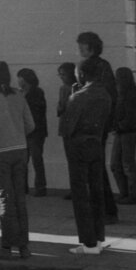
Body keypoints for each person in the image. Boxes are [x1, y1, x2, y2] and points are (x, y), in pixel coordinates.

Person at [0, 61, 35, 259]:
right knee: (20, 198)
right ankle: (23, 246)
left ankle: (6, 246)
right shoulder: (19, 95)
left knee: (5, 198)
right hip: (20, 149)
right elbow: (30, 124)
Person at [64, 58, 114, 254]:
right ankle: (98, 238)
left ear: (82, 74)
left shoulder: (79, 97)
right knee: (96, 192)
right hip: (96, 143)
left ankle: (88, 242)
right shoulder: (105, 95)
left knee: (81, 194)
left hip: (78, 145)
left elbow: (68, 127)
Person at [76, 31, 119, 223]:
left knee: (95, 169)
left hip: (93, 126)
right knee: (96, 168)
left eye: (82, 46)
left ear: (90, 46)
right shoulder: (104, 66)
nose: (79, 49)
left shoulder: (95, 66)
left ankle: (107, 210)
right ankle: (106, 210)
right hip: (99, 125)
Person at [111, 67, 136, 205]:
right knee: (121, 164)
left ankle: (129, 193)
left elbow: (128, 115)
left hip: (127, 131)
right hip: (125, 131)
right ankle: (128, 193)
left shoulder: (128, 94)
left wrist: (118, 125)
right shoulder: (128, 93)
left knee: (124, 164)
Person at [17, 68, 49, 197]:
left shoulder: (35, 93)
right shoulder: (28, 92)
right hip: (30, 131)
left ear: (24, 79)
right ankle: (29, 187)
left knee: (35, 159)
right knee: (27, 160)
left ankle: (39, 187)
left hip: (34, 132)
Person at [56, 62, 78, 201]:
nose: (61, 77)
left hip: (74, 127)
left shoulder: (74, 88)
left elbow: (64, 107)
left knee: (76, 160)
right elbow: (60, 108)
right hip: (66, 127)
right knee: (71, 161)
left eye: (63, 74)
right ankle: (74, 188)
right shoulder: (63, 88)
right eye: (60, 75)